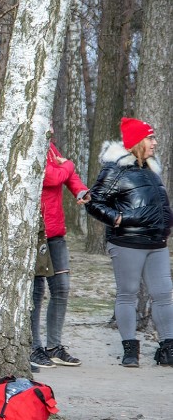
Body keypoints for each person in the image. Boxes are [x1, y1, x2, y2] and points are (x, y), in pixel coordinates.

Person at [86, 117, 173, 368]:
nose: (155, 142)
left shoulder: (151, 170)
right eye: (150, 138)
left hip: (156, 243)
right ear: (137, 141)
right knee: (128, 294)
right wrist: (118, 219)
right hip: (127, 243)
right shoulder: (115, 169)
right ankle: (130, 350)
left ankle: (168, 348)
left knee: (163, 295)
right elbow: (94, 202)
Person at [29, 136, 89, 370]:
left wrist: (80, 190)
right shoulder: (30, 145)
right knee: (36, 291)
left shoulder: (51, 148)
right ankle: (34, 347)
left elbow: (67, 176)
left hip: (56, 231)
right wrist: (69, 164)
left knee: (61, 288)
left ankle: (54, 347)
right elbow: (52, 177)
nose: (50, 128)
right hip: (36, 232)